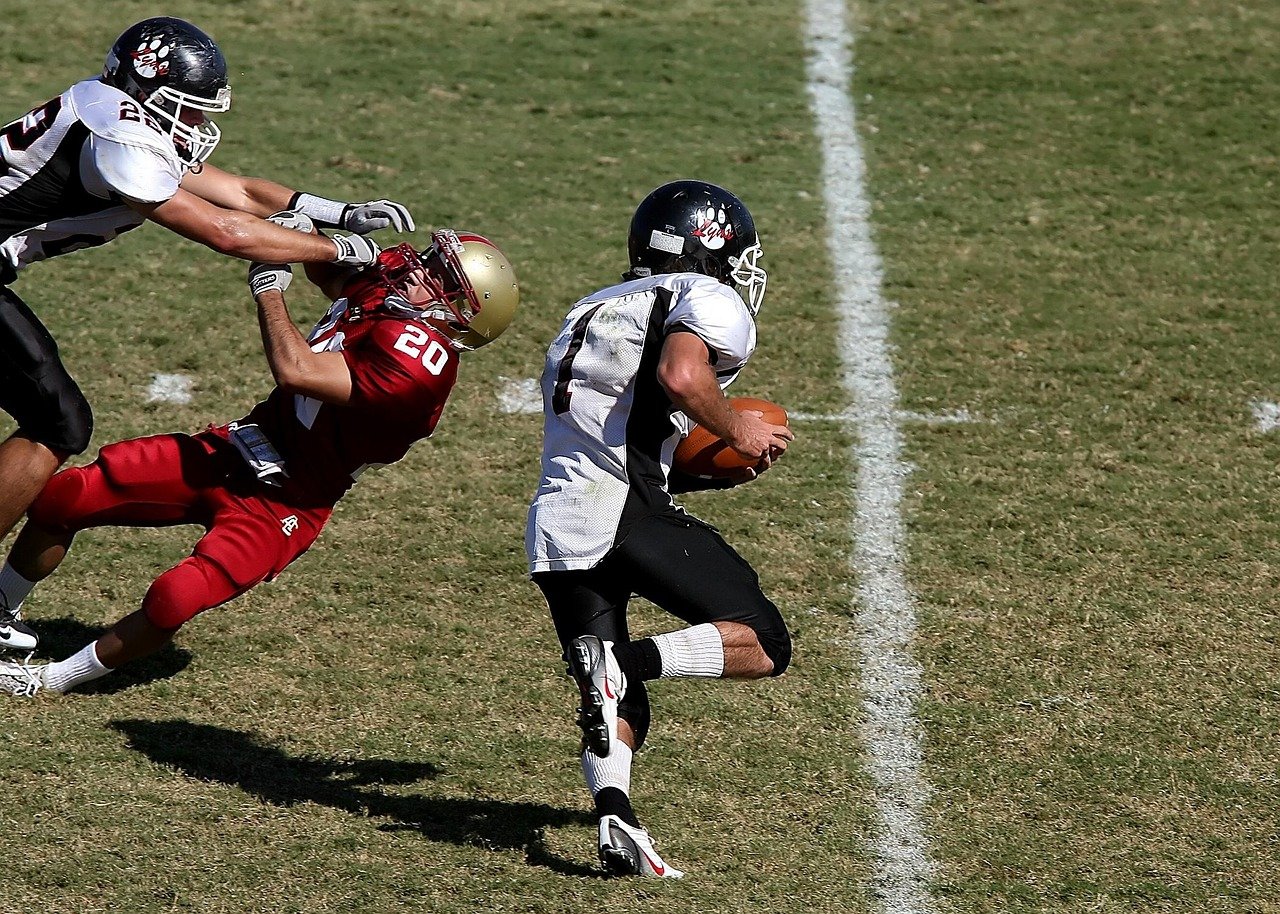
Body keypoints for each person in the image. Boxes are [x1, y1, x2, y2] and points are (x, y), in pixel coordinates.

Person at [0, 16, 415, 648]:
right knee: (58, 423)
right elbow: (229, 233)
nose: (195, 127)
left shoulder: (114, 114)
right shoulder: (120, 140)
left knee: (58, 418)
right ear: (149, 91)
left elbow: (241, 193)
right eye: (185, 111)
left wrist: (332, 210)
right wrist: (332, 250)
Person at [0, 213, 519, 696]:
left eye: (439, 277)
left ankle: (48, 681)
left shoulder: (420, 369)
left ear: (457, 316)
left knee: (176, 596)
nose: (418, 270)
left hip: (287, 503)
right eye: (432, 261)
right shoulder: (395, 288)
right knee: (66, 497)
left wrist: (270, 294)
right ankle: (4, 610)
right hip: (237, 445)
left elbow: (296, 371)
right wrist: (325, 224)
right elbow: (327, 266)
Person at [525, 180, 795, 878]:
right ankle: (624, 665)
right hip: (623, 509)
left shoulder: (590, 305)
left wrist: (702, 467)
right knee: (763, 640)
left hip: (559, 524)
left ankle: (616, 817)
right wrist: (736, 427)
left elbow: (621, 424)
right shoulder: (704, 296)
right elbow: (680, 376)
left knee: (619, 711)